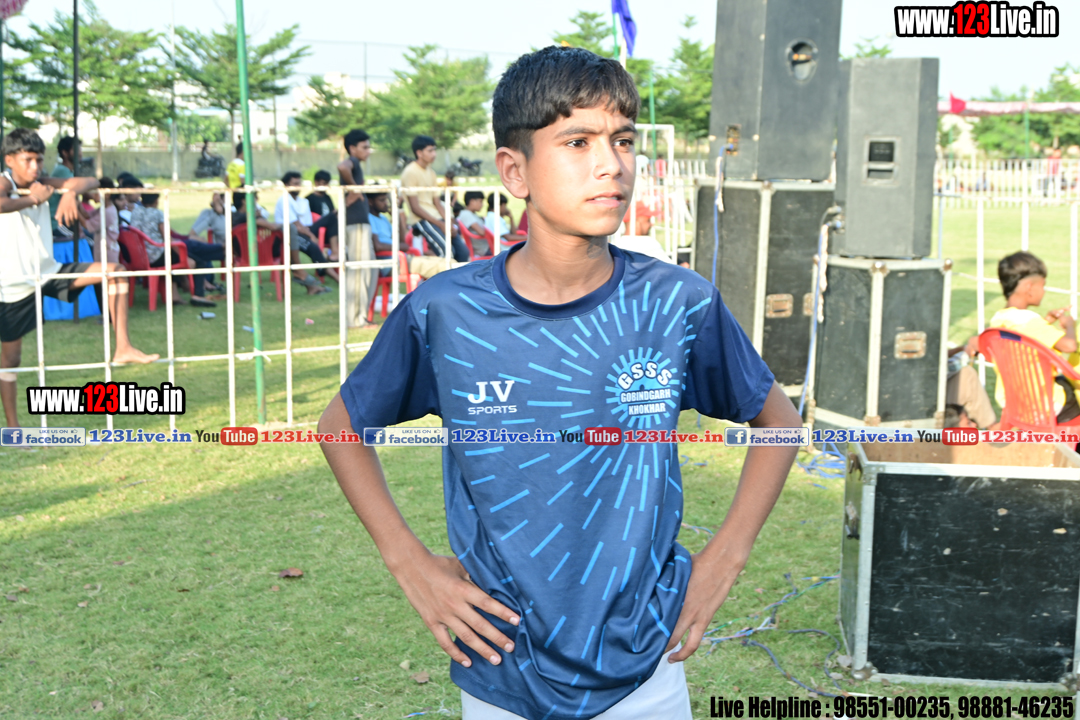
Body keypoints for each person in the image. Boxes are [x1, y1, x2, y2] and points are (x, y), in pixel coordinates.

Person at [318, 46, 800, 720]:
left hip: (647, 667)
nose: (611, 164)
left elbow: (779, 423)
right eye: (578, 142)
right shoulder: (446, 313)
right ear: (514, 170)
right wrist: (409, 563)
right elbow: (340, 428)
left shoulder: (677, 303)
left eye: (622, 140)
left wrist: (726, 557)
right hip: (500, 664)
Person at [1, 129, 159, 426]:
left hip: (49, 271)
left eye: (39, 159)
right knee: (10, 360)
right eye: (27, 160)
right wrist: (33, 200)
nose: (35, 166)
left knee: (116, 271)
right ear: (9, 160)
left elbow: (91, 182)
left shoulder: (42, 182)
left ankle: (123, 347)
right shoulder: (5, 182)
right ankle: (13, 428)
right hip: (14, 284)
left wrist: (70, 192)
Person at [989, 251, 1079, 420]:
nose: (1044, 291)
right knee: (1071, 385)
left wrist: (1046, 321)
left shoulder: (999, 319)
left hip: (1014, 402)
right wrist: (1070, 326)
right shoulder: (1029, 321)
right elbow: (1069, 345)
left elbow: (1024, 338)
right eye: (1043, 286)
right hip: (1043, 405)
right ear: (1029, 287)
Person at [401, 134, 470, 262]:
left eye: (434, 150)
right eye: (430, 151)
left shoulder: (431, 172)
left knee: (463, 253)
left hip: (436, 217)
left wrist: (449, 222)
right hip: (421, 219)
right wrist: (441, 224)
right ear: (419, 153)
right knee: (447, 253)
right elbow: (415, 207)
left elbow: (437, 202)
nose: (434, 154)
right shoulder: (410, 172)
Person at [337, 129, 377, 328]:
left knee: (369, 269)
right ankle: (355, 319)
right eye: (365, 147)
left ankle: (360, 315)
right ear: (352, 148)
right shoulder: (351, 161)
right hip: (356, 224)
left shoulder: (357, 164)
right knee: (359, 271)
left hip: (360, 223)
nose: (368, 151)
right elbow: (342, 166)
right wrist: (355, 189)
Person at [368, 191, 456, 281]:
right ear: (370, 202)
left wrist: (397, 218)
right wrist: (401, 247)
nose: (386, 203)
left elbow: (402, 241)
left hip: (402, 258)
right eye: (381, 200)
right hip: (392, 263)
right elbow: (378, 246)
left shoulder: (383, 219)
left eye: (386, 200)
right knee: (443, 266)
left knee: (448, 261)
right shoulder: (369, 218)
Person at [274, 171, 336, 290]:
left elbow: (307, 224)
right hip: (288, 236)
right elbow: (296, 225)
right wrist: (311, 236)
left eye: (299, 183)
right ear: (286, 185)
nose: (298, 186)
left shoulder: (303, 202)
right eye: (295, 184)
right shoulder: (284, 200)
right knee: (312, 246)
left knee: (333, 216)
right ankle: (336, 278)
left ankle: (334, 254)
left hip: (304, 232)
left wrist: (309, 233)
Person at [50, 135, 79, 238]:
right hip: (57, 224)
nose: (80, 153)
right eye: (76, 150)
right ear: (65, 153)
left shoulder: (69, 172)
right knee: (86, 240)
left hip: (64, 223)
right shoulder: (62, 171)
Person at [457, 191, 490, 257]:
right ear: (472, 201)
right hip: (484, 249)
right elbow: (482, 232)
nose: (482, 205)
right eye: (480, 201)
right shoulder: (466, 214)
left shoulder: (471, 214)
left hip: (486, 247)